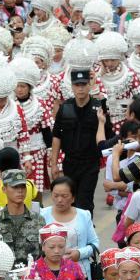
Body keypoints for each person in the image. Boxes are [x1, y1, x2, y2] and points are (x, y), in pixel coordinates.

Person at [49, 69, 112, 212]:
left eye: (84, 84)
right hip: (70, 162)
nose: (81, 88)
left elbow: (107, 134)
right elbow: (56, 136)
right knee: (69, 200)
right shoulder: (65, 108)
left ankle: (85, 231)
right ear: (72, 87)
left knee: (85, 202)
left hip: (90, 163)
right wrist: (54, 164)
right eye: (77, 85)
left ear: (90, 85)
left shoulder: (99, 107)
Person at [40, 177, 100, 280]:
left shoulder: (84, 215)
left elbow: (95, 243)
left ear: (73, 198)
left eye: (64, 196)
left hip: (80, 272)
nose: (59, 200)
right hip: (49, 274)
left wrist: (79, 253)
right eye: (56, 195)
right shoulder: (42, 215)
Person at [0, 169, 46, 268]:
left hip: (32, 278)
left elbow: (44, 254)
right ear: (4, 189)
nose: (20, 191)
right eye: (15, 187)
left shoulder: (39, 220)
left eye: (23, 186)